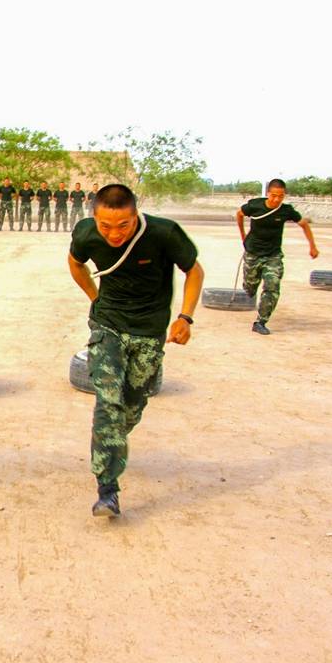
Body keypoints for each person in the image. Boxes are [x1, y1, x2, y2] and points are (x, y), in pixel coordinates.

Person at [68, 184, 204, 517]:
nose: (114, 234)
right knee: (109, 403)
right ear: (94, 217)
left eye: (123, 226)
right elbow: (75, 263)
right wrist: (96, 298)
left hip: (149, 331)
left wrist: (185, 317)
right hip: (108, 326)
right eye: (105, 226)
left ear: (135, 214)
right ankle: (107, 491)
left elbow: (194, 271)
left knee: (131, 406)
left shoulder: (164, 233)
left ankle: (111, 437)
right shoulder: (86, 233)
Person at [235, 178, 319, 335]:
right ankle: (249, 288)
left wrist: (312, 246)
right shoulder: (255, 205)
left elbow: (304, 224)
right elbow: (239, 215)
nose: (276, 199)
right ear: (268, 193)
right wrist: (243, 235)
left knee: (272, 286)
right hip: (253, 252)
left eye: (280, 196)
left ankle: (261, 322)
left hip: (273, 255)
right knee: (250, 286)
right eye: (273, 195)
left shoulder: (286, 210)